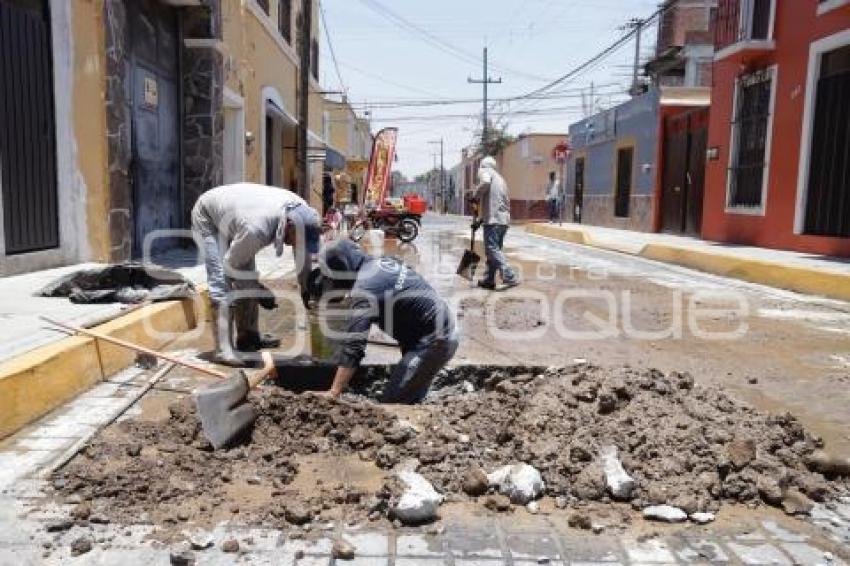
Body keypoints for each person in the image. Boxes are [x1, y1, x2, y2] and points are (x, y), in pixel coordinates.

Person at [309, 239, 458, 403]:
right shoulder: (380, 262)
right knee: (410, 393)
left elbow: (355, 346)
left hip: (436, 340)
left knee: (393, 403)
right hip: (438, 328)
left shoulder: (365, 289)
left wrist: (334, 392)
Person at [192, 183, 321, 365]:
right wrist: (259, 291)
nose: (296, 246)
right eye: (297, 240)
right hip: (209, 216)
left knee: (248, 277)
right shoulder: (257, 230)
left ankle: (248, 338)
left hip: (240, 215)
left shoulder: (302, 210)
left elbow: (302, 256)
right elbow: (231, 266)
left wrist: (306, 288)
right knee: (222, 281)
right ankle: (223, 350)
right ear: (290, 228)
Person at [473, 156, 519, 290]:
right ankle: (489, 279)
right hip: (503, 221)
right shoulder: (500, 179)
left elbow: (485, 183)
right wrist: (481, 219)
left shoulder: (485, 171)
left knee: (492, 249)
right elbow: (497, 202)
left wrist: (475, 195)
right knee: (493, 251)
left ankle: (510, 276)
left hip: (494, 220)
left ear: (483, 165)